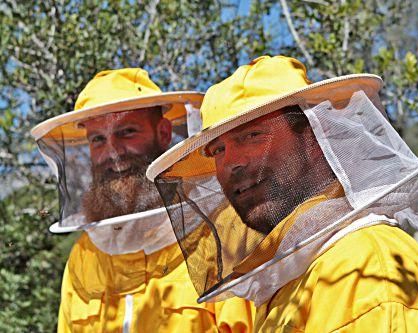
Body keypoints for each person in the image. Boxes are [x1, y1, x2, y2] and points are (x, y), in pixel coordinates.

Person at [148, 56, 418, 332]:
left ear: (315, 137)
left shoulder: (366, 266)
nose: (231, 163)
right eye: (218, 150)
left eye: (252, 136)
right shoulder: (292, 278)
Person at [31, 68, 253, 332]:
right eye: (98, 139)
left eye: (126, 132)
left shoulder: (223, 238)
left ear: (163, 133)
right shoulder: (84, 256)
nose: (112, 153)